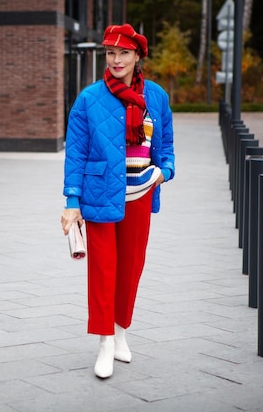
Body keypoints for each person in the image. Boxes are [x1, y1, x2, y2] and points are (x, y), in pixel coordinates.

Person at [61, 23, 175, 379]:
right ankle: (104, 341)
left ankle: (122, 331)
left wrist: (164, 172)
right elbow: (75, 154)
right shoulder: (88, 99)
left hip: (140, 194)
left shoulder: (156, 96)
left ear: (138, 56)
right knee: (103, 270)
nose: (116, 60)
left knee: (130, 268)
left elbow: (167, 147)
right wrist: (71, 201)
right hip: (99, 195)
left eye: (124, 53)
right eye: (110, 53)